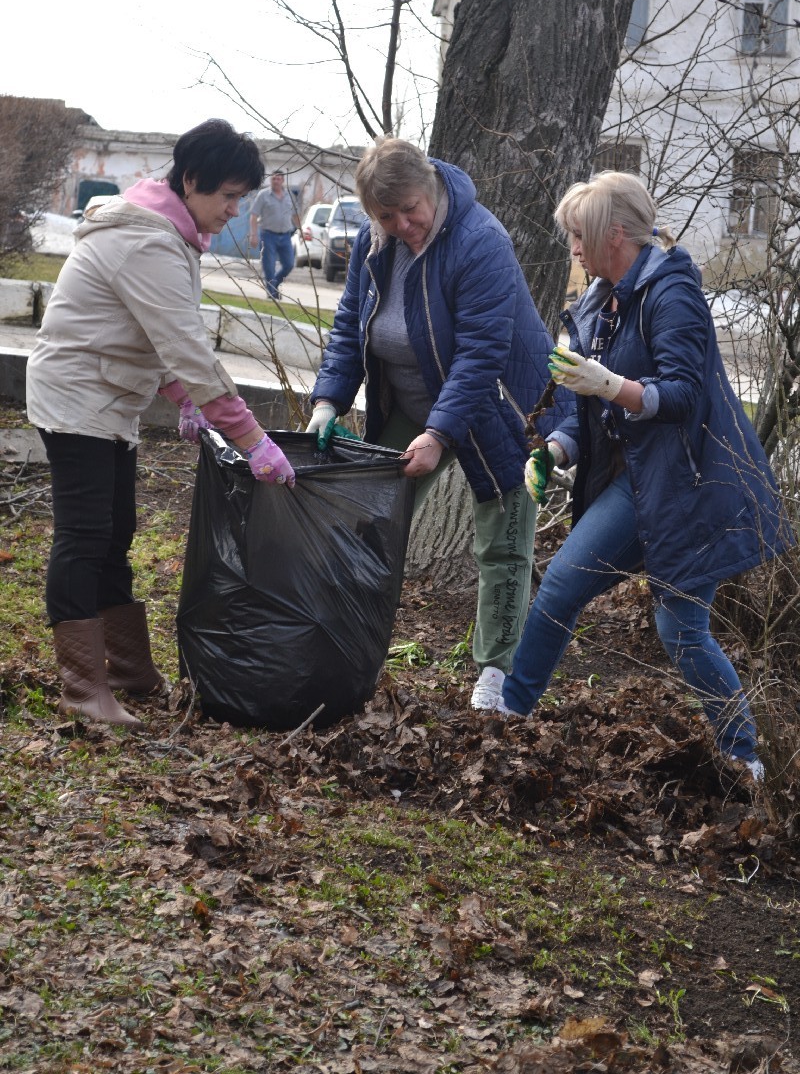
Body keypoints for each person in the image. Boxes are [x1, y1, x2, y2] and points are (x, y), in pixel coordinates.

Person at [475, 170, 794, 781]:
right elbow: (598, 410)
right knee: (561, 589)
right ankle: (508, 718)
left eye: (578, 236)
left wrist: (608, 383)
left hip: (691, 487)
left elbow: (680, 396)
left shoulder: (672, 294)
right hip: (642, 481)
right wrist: (561, 448)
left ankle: (745, 757)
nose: (571, 249)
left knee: (681, 629)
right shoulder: (606, 299)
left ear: (613, 234)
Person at [26, 119, 295, 731]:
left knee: (115, 531)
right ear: (191, 180)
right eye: (226, 196)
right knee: (84, 536)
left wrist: (185, 397)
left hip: (106, 395)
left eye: (241, 199)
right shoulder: (147, 240)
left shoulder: (170, 232)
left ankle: (125, 669)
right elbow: (188, 348)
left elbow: (156, 338)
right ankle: (83, 687)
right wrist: (252, 438)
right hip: (77, 396)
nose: (232, 212)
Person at [305, 136, 570, 699]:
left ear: (430, 188)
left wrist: (438, 433)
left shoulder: (481, 242)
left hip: (500, 408)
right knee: (372, 527)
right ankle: (346, 646)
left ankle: (495, 679)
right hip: (410, 403)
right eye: (386, 215)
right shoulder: (375, 244)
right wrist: (328, 400)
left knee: (503, 543)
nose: (402, 224)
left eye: (410, 210)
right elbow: (353, 323)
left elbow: (481, 355)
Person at [249, 171, 300, 300]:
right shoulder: (263, 195)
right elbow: (254, 215)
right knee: (269, 266)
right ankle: (272, 294)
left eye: (278, 179)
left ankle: (274, 284)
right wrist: (253, 234)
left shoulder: (289, 196)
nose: (275, 181)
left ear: (283, 181)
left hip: (285, 236)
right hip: (268, 235)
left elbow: (295, 215)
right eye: (273, 179)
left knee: (289, 264)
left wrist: (301, 231)